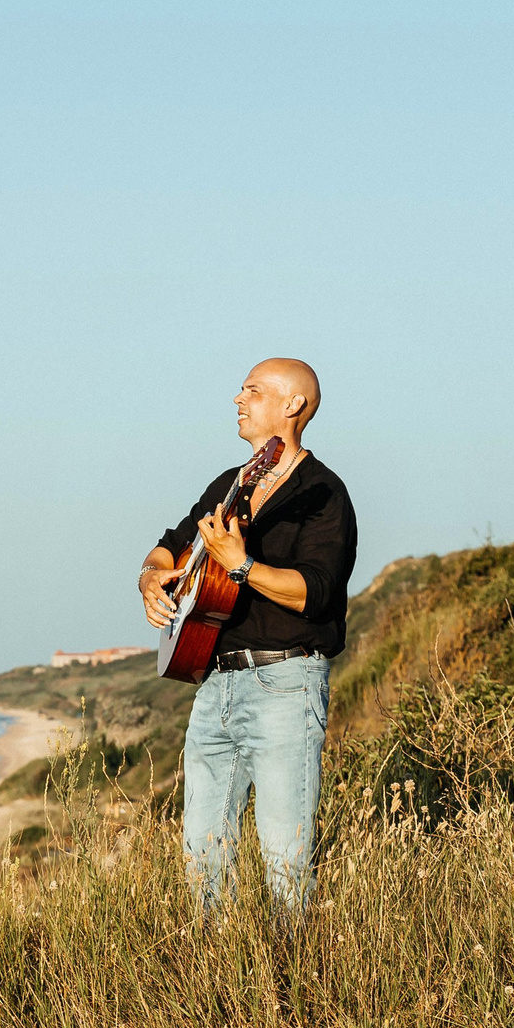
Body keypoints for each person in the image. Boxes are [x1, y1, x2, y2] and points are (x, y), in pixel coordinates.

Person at [136, 358, 357, 908]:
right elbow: (170, 544)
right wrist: (151, 577)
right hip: (214, 683)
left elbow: (317, 591)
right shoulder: (230, 483)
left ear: (293, 406)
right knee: (202, 850)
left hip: (286, 680)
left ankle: (294, 978)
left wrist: (241, 567)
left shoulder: (323, 492)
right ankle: (218, 973)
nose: (238, 399)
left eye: (252, 391)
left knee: (286, 853)